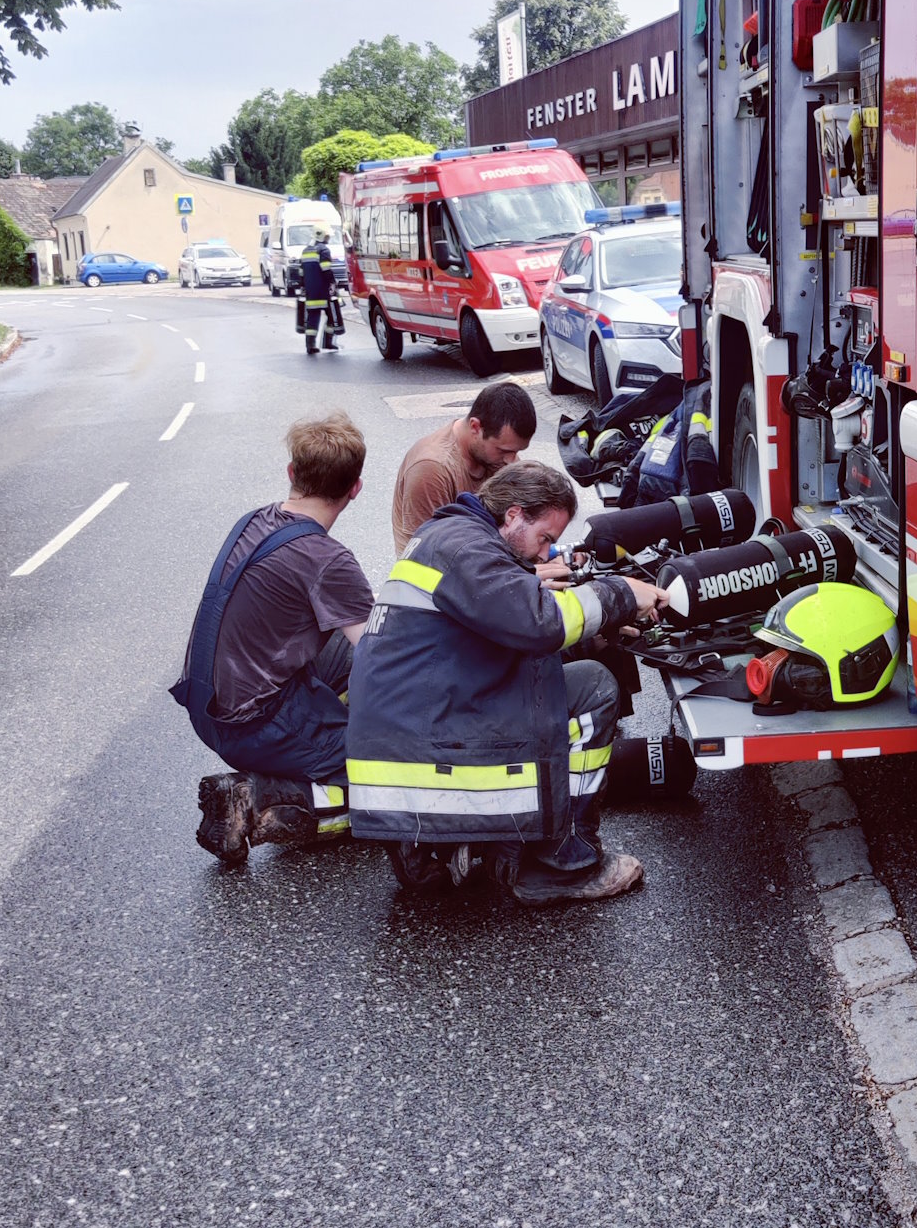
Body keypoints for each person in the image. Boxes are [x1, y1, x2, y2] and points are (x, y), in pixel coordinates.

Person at [348, 462, 665, 903]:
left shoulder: (452, 538)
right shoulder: (467, 550)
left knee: (554, 679)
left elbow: (505, 637)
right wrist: (622, 594)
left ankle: (444, 844)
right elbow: (537, 625)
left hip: (411, 730)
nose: (544, 554)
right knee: (593, 688)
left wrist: (598, 629)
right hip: (424, 743)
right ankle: (561, 863)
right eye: (546, 538)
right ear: (514, 515)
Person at [172, 413, 373, 864]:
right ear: (355, 488)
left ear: (291, 474)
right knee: (382, 770)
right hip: (252, 723)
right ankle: (254, 797)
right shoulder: (327, 558)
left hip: (208, 706)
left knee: (342, 650)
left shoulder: (254, 521)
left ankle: (307, 741)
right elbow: (381, 653)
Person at [390, 380, 537, 551]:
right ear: (475, 427)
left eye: (517, 451)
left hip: (482, 552)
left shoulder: (498, 455)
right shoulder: (432, 468)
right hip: (434, 566)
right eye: (503, 450)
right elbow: (430, 551)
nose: (511, 461)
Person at [297, 225, 345, 354]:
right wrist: (333, 283)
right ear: (322, 236)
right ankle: (328, 342)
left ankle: (310, 345)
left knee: (313, 316)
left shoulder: (306, 250)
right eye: (327, 236)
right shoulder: (324, 250)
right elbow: (326, 269)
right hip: (323, 291)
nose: (328, 238)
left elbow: (301, 272)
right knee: (332, 315)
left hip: (311, 292)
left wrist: (303, 287)